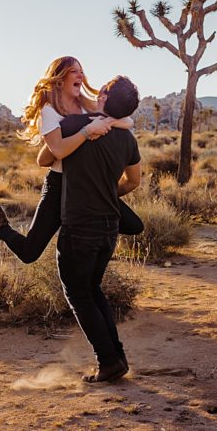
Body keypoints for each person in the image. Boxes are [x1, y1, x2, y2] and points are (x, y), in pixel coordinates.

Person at [0, 56, 142, 261]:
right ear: (59, 79)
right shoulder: (49, 111)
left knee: (133, 225)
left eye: (81, 70)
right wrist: (88, 129)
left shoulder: (85, 104)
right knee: (29, 253)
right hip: (59, 184)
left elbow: (127, 120)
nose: (81, 75)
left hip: (89, 184)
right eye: (74, 71)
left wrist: (107, 123)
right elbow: (57, 153)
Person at [54, 75, 142, 384]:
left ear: (103, 97)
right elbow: (134, 181)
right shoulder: (128, 139)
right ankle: (116, 358)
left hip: (79, 225)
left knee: (78, 293)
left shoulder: (76, 126)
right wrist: (106, 191)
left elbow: (45, 157)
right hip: (109, 225)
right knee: (92, 290)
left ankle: (108, 361)